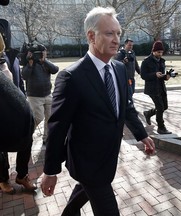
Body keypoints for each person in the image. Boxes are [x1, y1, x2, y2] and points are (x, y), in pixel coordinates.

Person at [40, 6, 155, 216]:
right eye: (109, 33)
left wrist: (141, 133)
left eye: (118, 33)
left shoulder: (119, 68)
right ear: (91, 36)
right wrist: (50, 170)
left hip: (109, 156)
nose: (117, 39)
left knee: (83, 191)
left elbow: (125, 106)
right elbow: (57, 127)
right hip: (86, 161)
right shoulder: (71, 77)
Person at [0, 32, 36, 194]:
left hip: (15, 106)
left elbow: (18, 82)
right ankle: (2, 179)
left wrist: (22, 99)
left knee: (27, 137)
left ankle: (22, 175)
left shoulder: (11, 57)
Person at [21, 45, 59, 145]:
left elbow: (55, 69)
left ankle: (46, 138)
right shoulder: (29, 63)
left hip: (47, 94)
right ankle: (27, 135)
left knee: (50, 117)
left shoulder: (45, 63)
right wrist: (30, 64)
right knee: (38, 118)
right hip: (34, 96)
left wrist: (44, 61)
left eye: (42, 52)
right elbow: (24, 76)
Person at [141, 41, 172, 134]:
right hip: (152, 89)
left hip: (161, 87)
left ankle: (148, 113)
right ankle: (161, 127)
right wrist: (154, 74)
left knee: (164, 106)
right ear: (153, 51)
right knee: (160, 108)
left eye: (161, 52)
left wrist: (166, 76)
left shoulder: (162, 61)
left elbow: (162, 75)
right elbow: (143, 75)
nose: (160, 54)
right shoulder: (146, 61)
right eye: (158, 52)